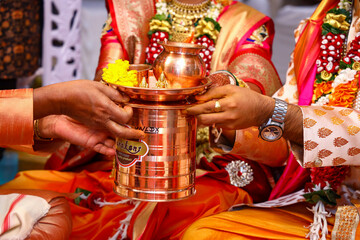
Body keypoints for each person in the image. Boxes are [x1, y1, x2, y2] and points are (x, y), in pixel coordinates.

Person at [0, 0, 286, 239]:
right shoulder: (130, 9)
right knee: (31, 190)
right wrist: (50, 115)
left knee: (186, 222)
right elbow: (109, 80)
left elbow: (253, 89)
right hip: (124, 157)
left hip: (205, 169)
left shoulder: (248, 23)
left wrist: (218, 87)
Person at [182, 0, 360, 238]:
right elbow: (288, 144)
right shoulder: (326, 21)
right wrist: (224, 115)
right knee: (206, 233)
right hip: (326, 204)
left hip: (342, 209)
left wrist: (269, 112)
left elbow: (285, 118)